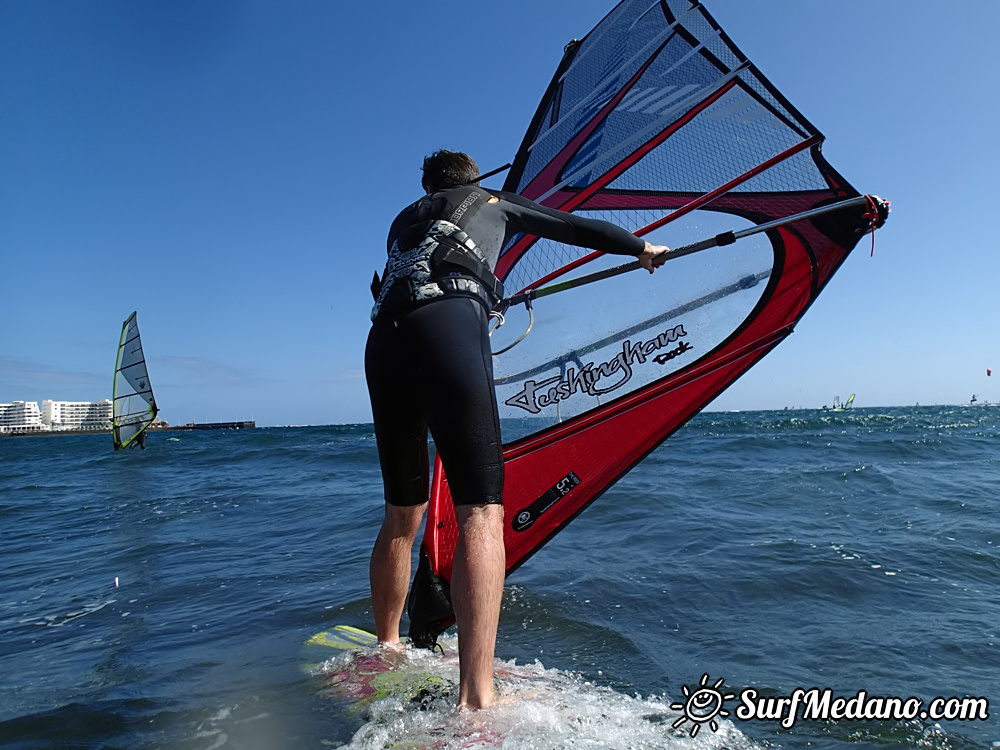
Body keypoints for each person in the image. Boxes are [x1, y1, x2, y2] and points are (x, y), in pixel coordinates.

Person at [365, 150, 669, 709]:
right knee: (480, 511)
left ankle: (385, 647)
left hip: (384, 340)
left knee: (400, 514)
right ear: (474, 181)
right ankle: (476, 697)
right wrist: (641, 249)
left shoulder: (402, 220)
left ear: (428, 185)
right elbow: (575, 226)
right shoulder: (492, 201)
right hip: (446, 325)